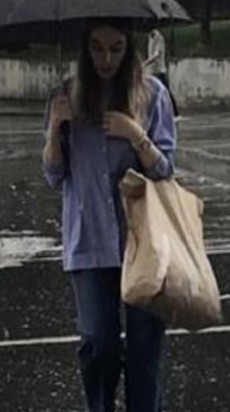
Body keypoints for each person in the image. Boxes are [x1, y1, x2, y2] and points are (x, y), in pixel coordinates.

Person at [42, 20, 176, 412]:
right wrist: (54, 129)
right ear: (84, 49)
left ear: (129, 48)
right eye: (97, 48)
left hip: (144, 242)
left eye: (116, 48)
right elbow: (53, 174)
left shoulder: (153, 95)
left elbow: (165, 170)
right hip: (89, 240)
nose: (106, 58)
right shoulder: (64, 96)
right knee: (98, 343)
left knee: (143, 352)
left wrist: (136, 134)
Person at [144, 28, 179, 117]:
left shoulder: (158, 38)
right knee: (152, 92)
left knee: (165, 91)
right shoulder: (150, 38)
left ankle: (175, 112)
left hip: (159, 70)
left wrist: (145, 63)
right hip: (152, 71)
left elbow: (156, 55)